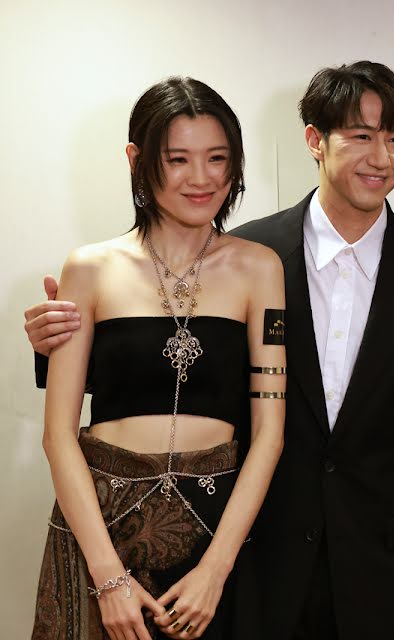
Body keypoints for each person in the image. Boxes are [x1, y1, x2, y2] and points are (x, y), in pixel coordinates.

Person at [27, 62, 394, 640]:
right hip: (212, 552)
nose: (380, 156)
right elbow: (138, 376)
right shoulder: (254, 248)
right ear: (315, 140)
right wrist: (54, 344)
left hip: (304, 559)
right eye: (361, 135)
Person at [31, 77, 286, 640]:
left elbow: (270, 433)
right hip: (98, 531)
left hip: (213, 537)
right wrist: (107, 578)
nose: (202, 178)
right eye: (178, 159)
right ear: (137, 160)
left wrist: (215, 571)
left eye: (218, 158)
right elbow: (57, 435)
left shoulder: (260, 268)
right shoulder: (89, 268)